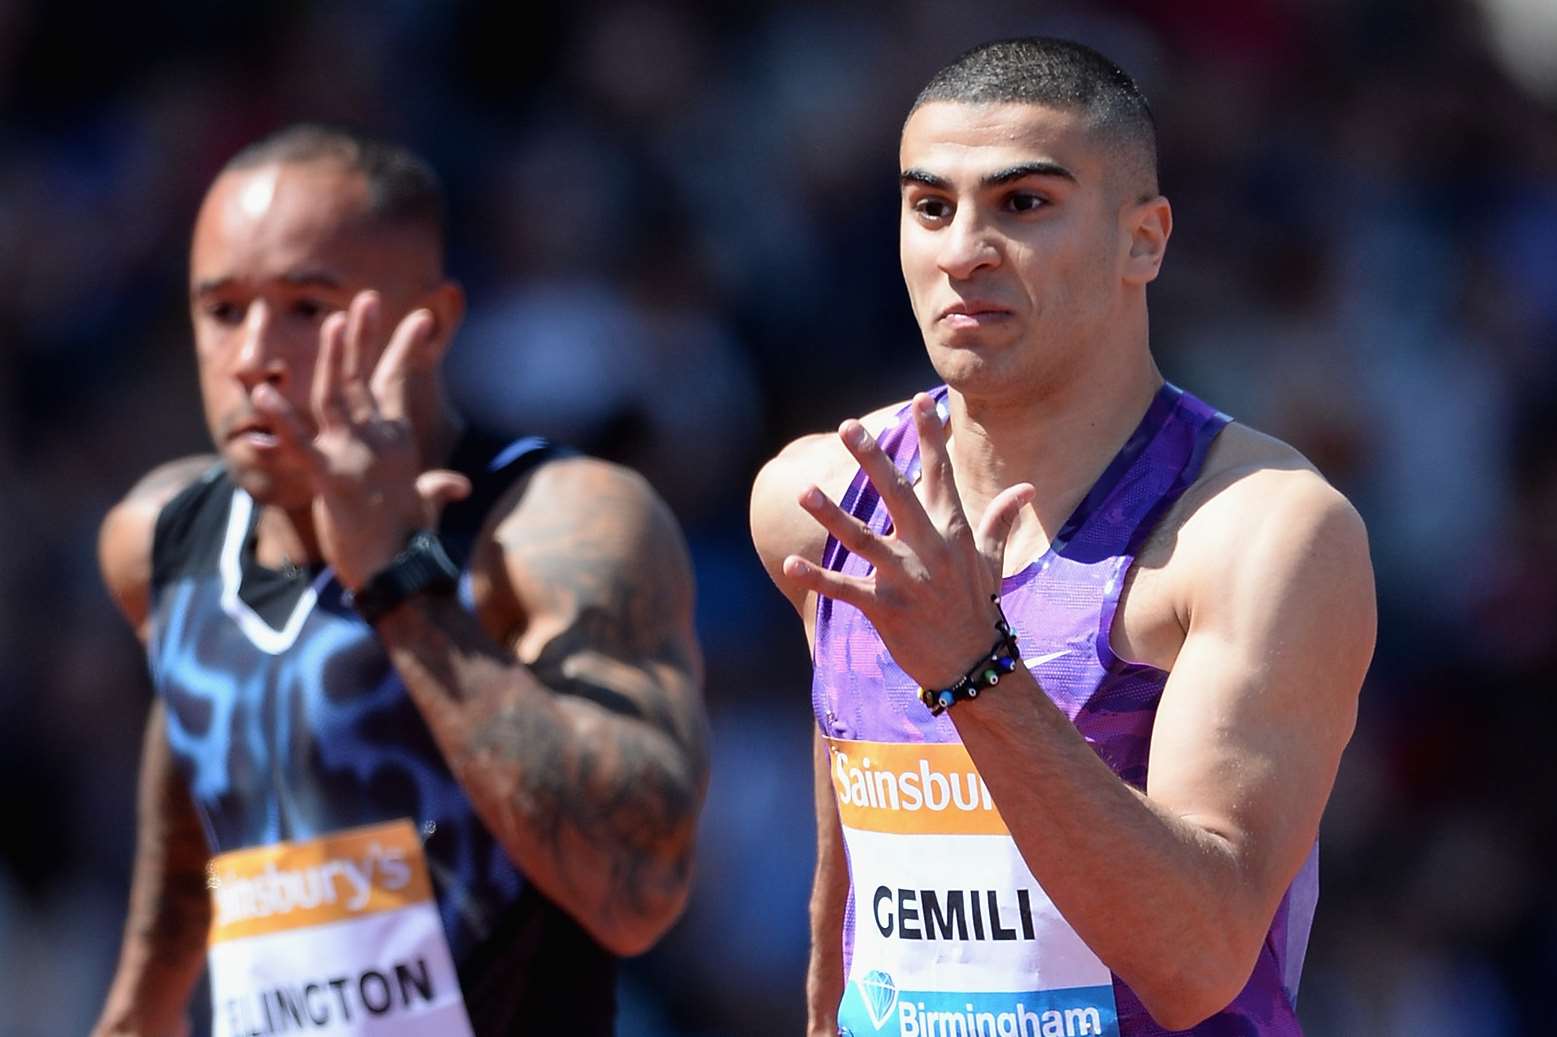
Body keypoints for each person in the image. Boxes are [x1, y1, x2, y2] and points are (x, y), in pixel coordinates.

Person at [750, 37, 1374, 1037]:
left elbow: (1199, 961)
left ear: (1146, 239)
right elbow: (856, 884)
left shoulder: (1258, 532)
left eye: (1023, 205)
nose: (963, 252)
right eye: (930, 207)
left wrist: (975, 669)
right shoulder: (820, 497)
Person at [92, 125, 709, 1037]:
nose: (254, 353)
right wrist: (140, 1006)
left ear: (433, 323)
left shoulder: (552, 525)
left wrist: (399, 579)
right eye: (222, 310)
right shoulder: (163, 539)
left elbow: (639, 888)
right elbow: (200, 730)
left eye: (308, 307)